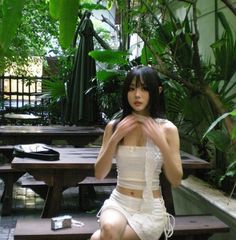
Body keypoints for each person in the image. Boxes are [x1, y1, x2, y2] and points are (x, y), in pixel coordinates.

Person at [90, 65, 183, 240]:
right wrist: (116, 137)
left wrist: (160, 142)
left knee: (98, 238)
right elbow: (99, 174)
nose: (137, 95)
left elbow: (176, 179)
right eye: (132, 89)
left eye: (144, 88)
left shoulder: (167, 129)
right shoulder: (115, 126)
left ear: (158, 91)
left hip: (150, 208)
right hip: (119, 202)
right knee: (108, 228)